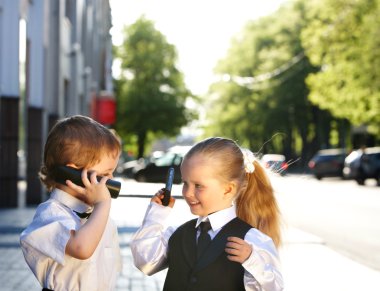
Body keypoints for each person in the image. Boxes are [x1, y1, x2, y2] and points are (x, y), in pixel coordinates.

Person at [131, 137, 284, 291]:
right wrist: (156, 214)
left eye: (198, 186)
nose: (188, 193)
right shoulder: (176, 234)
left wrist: (252, 260)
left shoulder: (252, 241)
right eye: (185, 183)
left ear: (228, 189)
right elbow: (145, 262)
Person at [20, 115, 122, 291]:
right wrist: (102, 205)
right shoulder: (51, 215)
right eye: (106, 174)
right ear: (72, 173)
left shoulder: (93, 213)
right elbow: (81, 248)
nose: (111, 180)